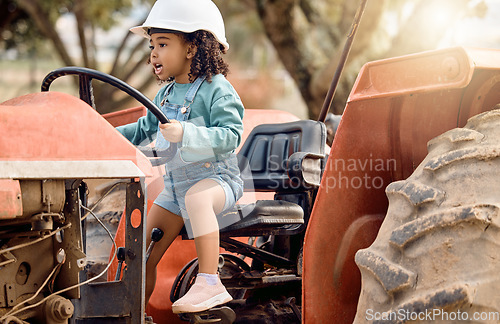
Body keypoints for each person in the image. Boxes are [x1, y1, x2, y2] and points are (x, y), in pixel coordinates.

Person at [117, 0, 244, 316]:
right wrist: (105, 134)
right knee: (138, 255)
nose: (154, 53)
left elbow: (231, 136)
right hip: (177, 190)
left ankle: (210, 281)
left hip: (218, 181)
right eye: (152, 45)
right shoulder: (165, 94)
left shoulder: (217, 88)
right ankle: (133, 314)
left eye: (163, 44)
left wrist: (187, 133)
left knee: (198, 199)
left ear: (192, 48)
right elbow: (145, 127)